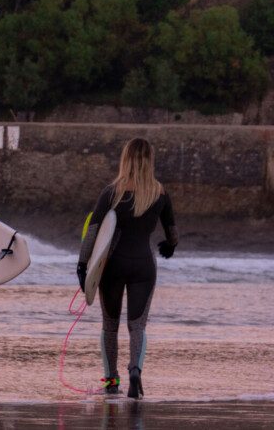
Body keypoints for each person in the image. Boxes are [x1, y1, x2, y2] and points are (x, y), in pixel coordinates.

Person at [76, 137, 178, 399]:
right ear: (149, 161)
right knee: (137, 326)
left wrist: (83, 265)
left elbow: (94, 232)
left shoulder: (112, 192)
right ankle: (135, 371)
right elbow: (172, 233)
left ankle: (112, 381)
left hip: (113, 266)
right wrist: (169, 246)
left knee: (110, 326)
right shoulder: (160, 193)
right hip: (144, 266)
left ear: (126, 159)